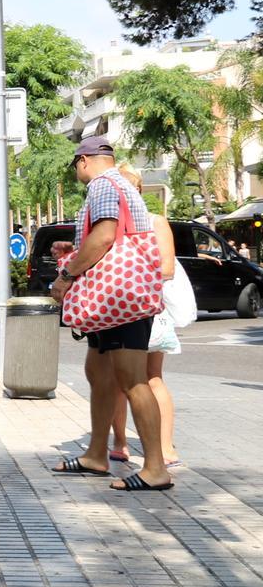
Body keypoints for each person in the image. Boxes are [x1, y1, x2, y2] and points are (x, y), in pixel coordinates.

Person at [49, 137, 170, 492]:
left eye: (75, 165)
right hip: (112, 300)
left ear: (84, 160)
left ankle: (155, 468)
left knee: (133, 378)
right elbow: (110, 238)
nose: (76, 171)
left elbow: (104, 237)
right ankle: (96, 455)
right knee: (98, 370)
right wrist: (76, 249)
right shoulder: (118, 184)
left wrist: (66, 275)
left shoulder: (103, 185)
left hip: (120, 299)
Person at [106, 165, 182, 469]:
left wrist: (127, 273)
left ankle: (165, 448)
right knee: (117, 381)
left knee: (152, 378)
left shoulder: (155, 222)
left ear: (137, 193)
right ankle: (120, 442)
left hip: (148, 308)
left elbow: (168, 268)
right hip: (117, 311)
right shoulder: (110, 225)